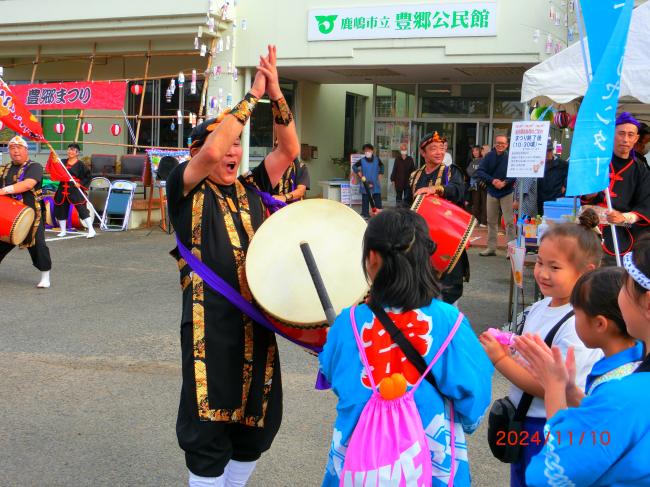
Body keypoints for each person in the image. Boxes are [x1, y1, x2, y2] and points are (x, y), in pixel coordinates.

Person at [166, 45, 299, 487]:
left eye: (240, 144)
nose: (234, 152)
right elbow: (209, 153)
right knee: (208, 425)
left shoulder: (253, 188)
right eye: (227, 143)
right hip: (210, 328)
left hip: (257, 325)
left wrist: (276, 92)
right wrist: (252, 95)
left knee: (257, 423)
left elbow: (289, 147)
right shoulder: (184, 187)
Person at [319, 208, 493, 487]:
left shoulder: (348, 323)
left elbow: (336, 377)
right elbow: (474, 397)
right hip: (432, 465)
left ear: (372, 258)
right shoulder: (450, 322)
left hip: (361, 465)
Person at [478, 211, 604, 487]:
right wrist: (506, 343)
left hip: (547, 425)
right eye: (539, 263)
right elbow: (521, 345)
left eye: (555, 267)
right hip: (524, 420)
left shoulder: (578, 324)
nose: (542, 274)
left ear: (586, 273)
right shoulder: (541, 306)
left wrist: (500, 359)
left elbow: (550, 386)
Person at [514, 236, 650, 486]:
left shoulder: (626, 393)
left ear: (647, 302)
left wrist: (554, 388)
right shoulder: (630, 377)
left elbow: (550, 474)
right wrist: (571, 392)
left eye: (625, 287)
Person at [406, 131, 468, 305]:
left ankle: (449, 324)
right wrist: (386, 214)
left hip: (446, 236)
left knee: (447, 288)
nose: (439, 152)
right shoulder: (415, 176)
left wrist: (435, 189)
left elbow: (458, 191)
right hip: (421, 237)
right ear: (422, 152)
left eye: (442, 148)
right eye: (433, 149)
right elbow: (406, 205)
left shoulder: (451, 172)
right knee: (420, 282)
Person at [581, 112, 650, 263]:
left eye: (630, 135)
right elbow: (579, 192)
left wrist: (624, 217)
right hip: (588, 230)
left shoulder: (640, 170)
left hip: (620, 236)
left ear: (636, 139)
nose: (625, 139)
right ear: (612, 134)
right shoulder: (598, 162)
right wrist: (588, 195)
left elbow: (645, 204)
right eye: (621, 133)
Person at [0, 135, 52, 288]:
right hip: (9, 215)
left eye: (19, 148)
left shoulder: (34, 167)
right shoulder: (7, 168)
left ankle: (45, 276)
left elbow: (28, 184)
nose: (15, 151)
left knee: (38, 245)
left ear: (26, 150)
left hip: (31, 214)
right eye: (12, 148)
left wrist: (3, 190)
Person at [476, 135, 516, 256]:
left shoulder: (511, 157)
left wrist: (505, 182)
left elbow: (516, 173)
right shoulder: (489, 156)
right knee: (491, 221)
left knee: (509, 221)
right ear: (494, 144)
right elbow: (480, 171)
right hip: (492, 191)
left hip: (507, 192)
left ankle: (511, 250)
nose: (500, 145)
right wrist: (493, 181)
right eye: (498, 143)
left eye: (503, 143)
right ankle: (491, 247)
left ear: (507, 145)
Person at [52, 143, 95, 238]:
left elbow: (88, 177)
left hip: (75, 189)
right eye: (69, 149)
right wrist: (55, 161)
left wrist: (80, 184)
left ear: (77, 152)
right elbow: (56, 170)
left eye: (72, 150)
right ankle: (63, 230)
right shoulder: (62, 162)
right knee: (61, 209)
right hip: (62, 188)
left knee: (81, 209)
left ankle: (91, 229)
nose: (70, 151)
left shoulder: (81, 165)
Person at [352, 143, 383, 219]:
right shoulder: (362, 160)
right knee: (365, 199)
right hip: (365, 182)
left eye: (368, 150)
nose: (367, 152)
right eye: (365, 151)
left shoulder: (377, 159)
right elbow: (354, 166)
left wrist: (381, 174)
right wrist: (358, 172)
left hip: (375, 182)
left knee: (377, 198)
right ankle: (365, 214)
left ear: (372, 151)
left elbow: (382, 166)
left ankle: (379, 215)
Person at [536, 142, 568, 215]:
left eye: (549, 151)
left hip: (556, 195)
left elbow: (570, 175)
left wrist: (565, 185)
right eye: (545, 151)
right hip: (541, 197)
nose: (547, 153)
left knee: (555, 217)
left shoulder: (562, 163)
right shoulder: (538, 164)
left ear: (552, 151)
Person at [466, 145, 487, 226]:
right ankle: (476, 220)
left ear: (480, 151)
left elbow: (482, 172)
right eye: (473, 151)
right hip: (474, 185)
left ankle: (483, 221)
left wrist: (477, 174)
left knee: (484, 202)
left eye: (477, 150)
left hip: (483, 183)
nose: (475, 152)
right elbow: (469, 172)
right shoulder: (472, 161)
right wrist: (477, 174)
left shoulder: (484, 160)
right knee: (476, 202)